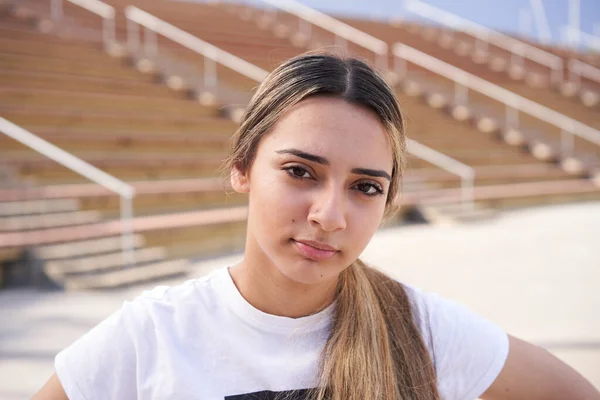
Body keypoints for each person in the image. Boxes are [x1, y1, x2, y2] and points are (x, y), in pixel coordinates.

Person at [34, 52, 599, 400]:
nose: (329, 215)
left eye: (365, 187)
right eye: (301, 171)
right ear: (242, 167)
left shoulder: (425, 330)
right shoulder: (150, 336)